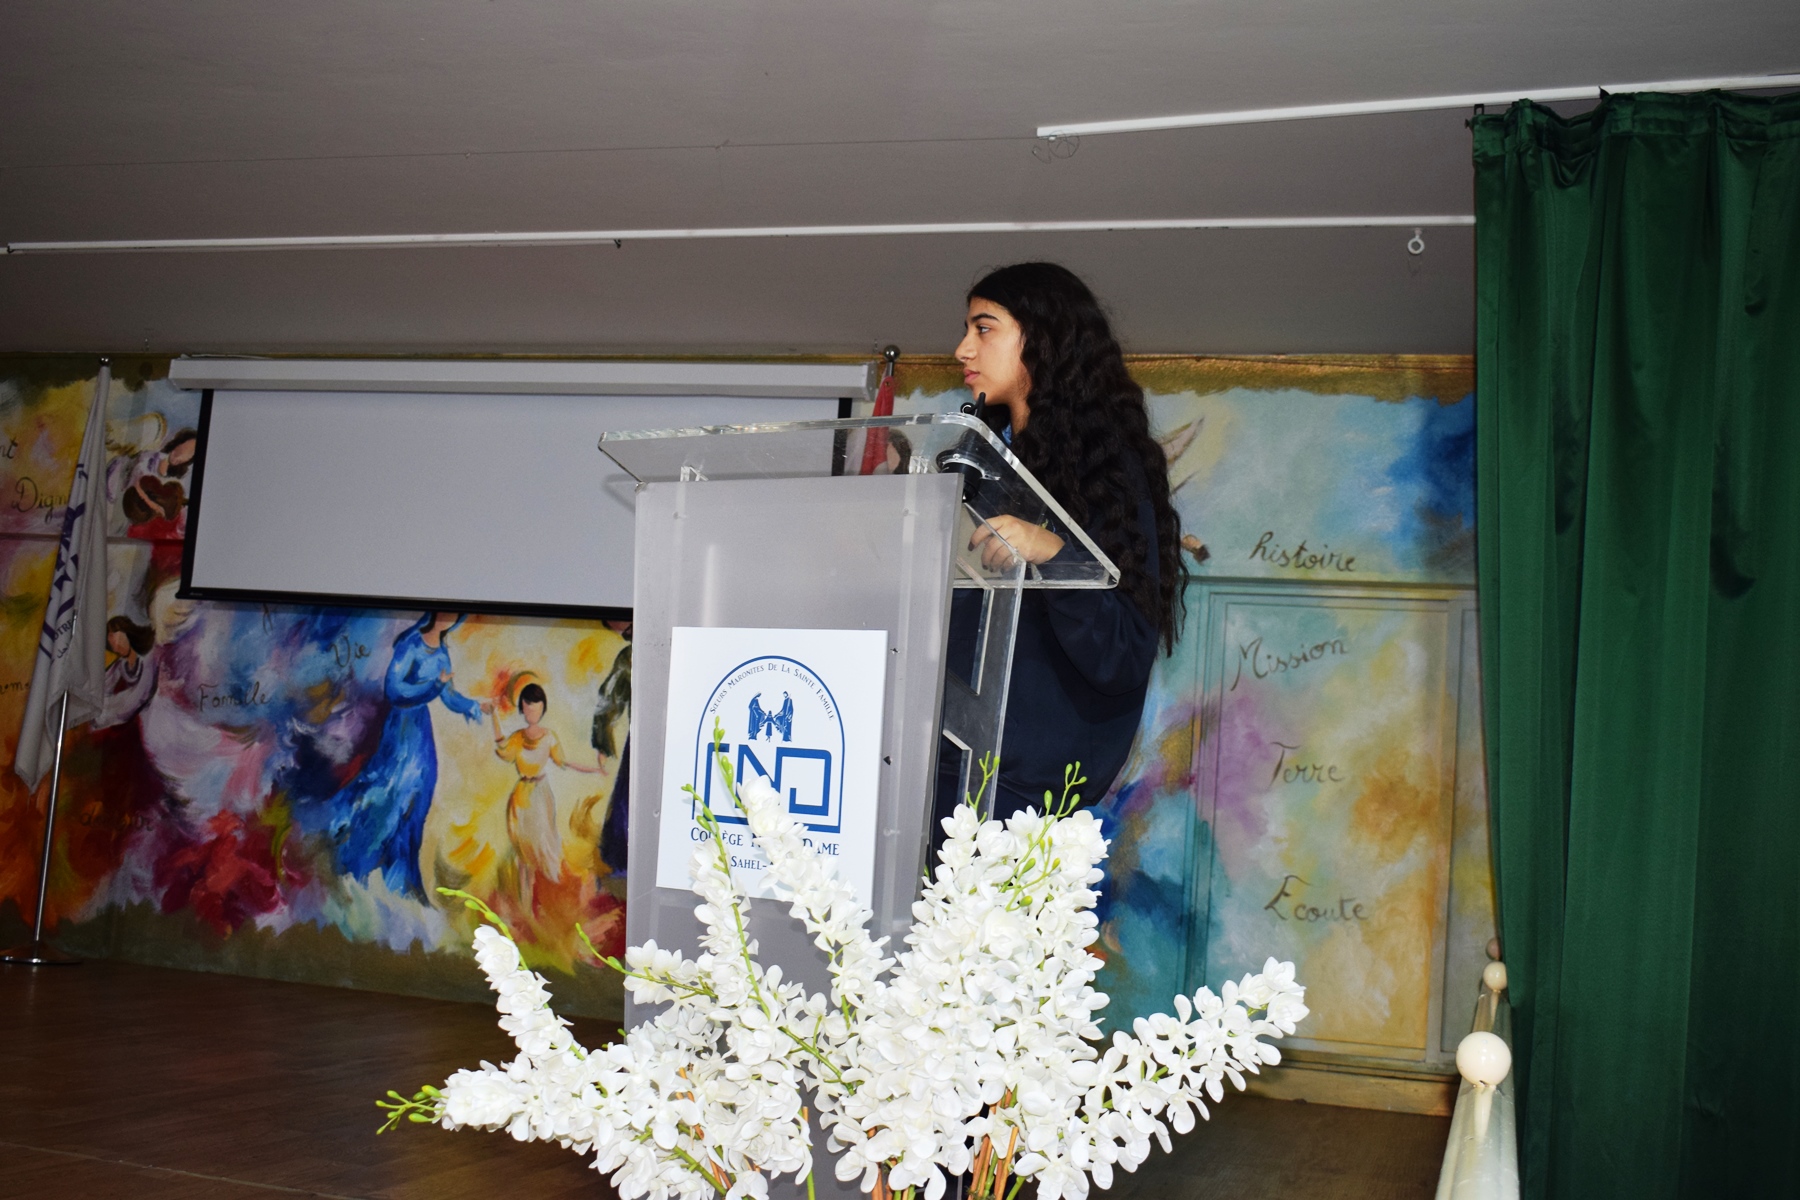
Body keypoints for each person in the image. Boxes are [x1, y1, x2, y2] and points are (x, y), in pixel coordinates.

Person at [937, 262, 1184, 822]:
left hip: (1024, 803)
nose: (962, 349)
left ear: (1042, 338)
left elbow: (1121, 654)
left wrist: (1052, 553)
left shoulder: (1107, 473)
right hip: (937, 774)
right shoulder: (978, 466)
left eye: (984, 328)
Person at [327, 612, 485, 900]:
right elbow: (394, 689)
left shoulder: (442, 652)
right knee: (392, 792)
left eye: (456, 616)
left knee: (420, 794)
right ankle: (358, 862)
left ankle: (401, 877)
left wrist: (472, 705)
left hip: (421, 732)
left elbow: (448, 695)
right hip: (400, 730)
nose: (451, 619)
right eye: (448, 613)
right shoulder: (411, 645)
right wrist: (432, 686)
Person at [491, 682, 600, 905]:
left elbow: (565, 762)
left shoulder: (549, 737)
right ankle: (525, 903)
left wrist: (594, 769)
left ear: (543, 708)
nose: (532, 712)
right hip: (521, 799)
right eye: (527, 707)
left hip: (541, 798)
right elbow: (503, 749)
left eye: (536, 707)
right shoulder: (517, 737)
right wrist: (493, 715)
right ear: (522, 709)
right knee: (523, 853)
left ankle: (539, 900)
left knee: (541, 849)